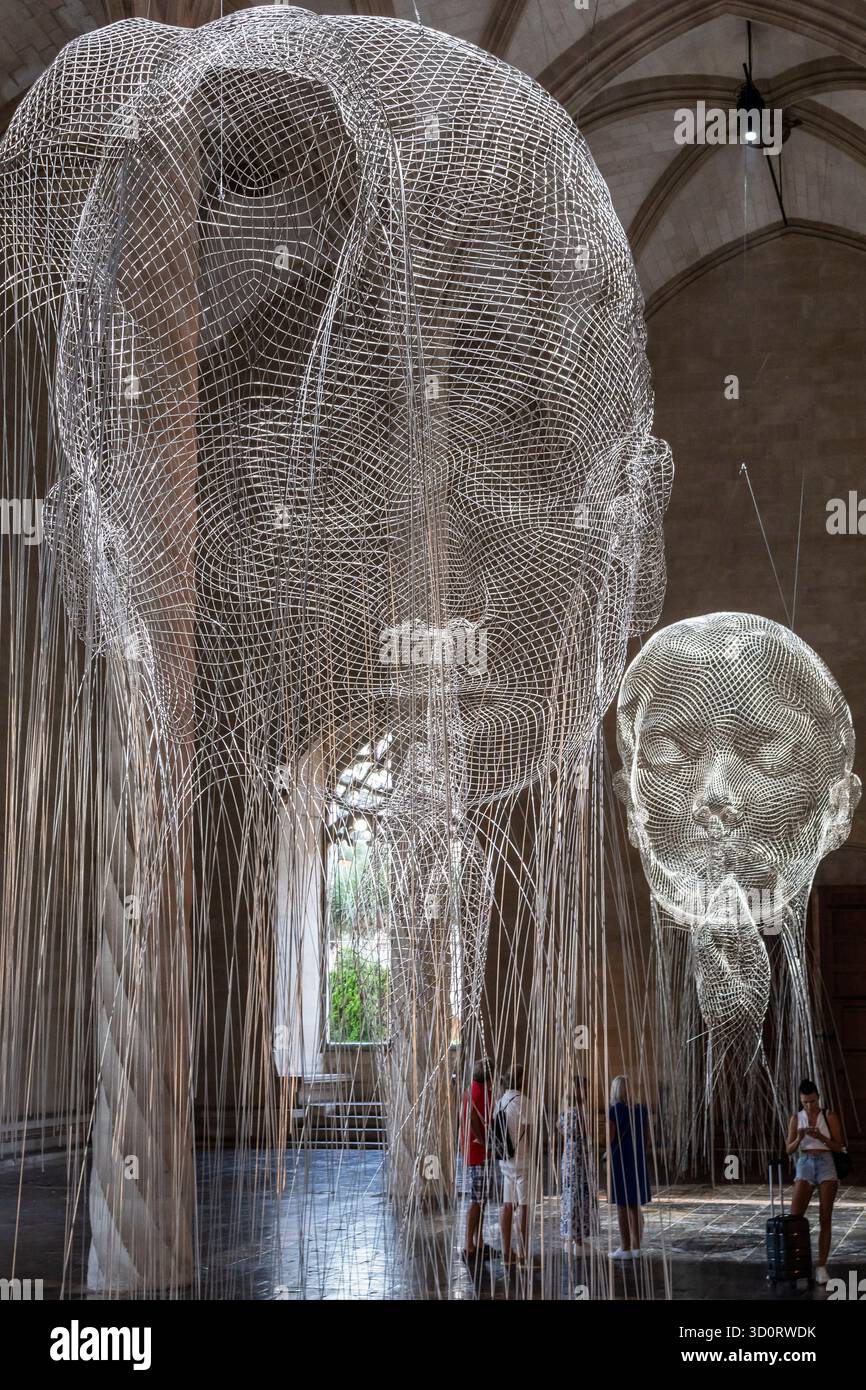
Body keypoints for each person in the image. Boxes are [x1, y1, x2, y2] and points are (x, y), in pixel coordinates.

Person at [785, 1078, 845, 1285]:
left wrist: (820, 1137)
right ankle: (795, 1263)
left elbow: (838, 1146)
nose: (809, 1106)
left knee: (825, 1217)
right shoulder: (796, 1118)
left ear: (818, 1098)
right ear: (801, 1101)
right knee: (795, 1217)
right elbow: (789, 1149)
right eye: (805, 1102)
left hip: (826, 1162)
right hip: (805, 1162)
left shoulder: (829, 1116)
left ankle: (821, 1265)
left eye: (812, 1101)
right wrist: (800, 1138)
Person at [608, 1074, 651, 1258]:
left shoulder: (614, 1110)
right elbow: (648, 1138)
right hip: (638, 1159)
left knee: (622, 1205)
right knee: (635, 1203)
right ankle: (637, 1247)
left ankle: (624, 1248)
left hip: (620, 1160)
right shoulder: (641, 1110)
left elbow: (610, 1138)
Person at [493, 1065, 531, 1267]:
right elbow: (531, 1134)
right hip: (523, 1161)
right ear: (521, 1081)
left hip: (505, 1160)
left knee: (507, 1205)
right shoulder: (525, 1103)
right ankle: (523, 1252)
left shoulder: (500, 1102)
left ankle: (506, 1251)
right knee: (523, 1206)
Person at [459, 1058, 495, 1265]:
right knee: (477, 1199)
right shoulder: (478, 1092)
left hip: (478, 1152)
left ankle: (479, 1241)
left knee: (482, 1199)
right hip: (478, 1153)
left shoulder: (476, 1089)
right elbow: (472, 1116)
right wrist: (483, 1141)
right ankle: (468, 1245)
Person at [558, 1075, 597, 1254]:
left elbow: (560, 1128)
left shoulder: (566, 1111)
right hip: (578, 1160)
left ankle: (571, 1238)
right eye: (585, 1088)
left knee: (571, 1196)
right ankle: (578, 1241)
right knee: (578, 1197)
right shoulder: (578, 1113)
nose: (589, 1091)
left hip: (570, 1158)